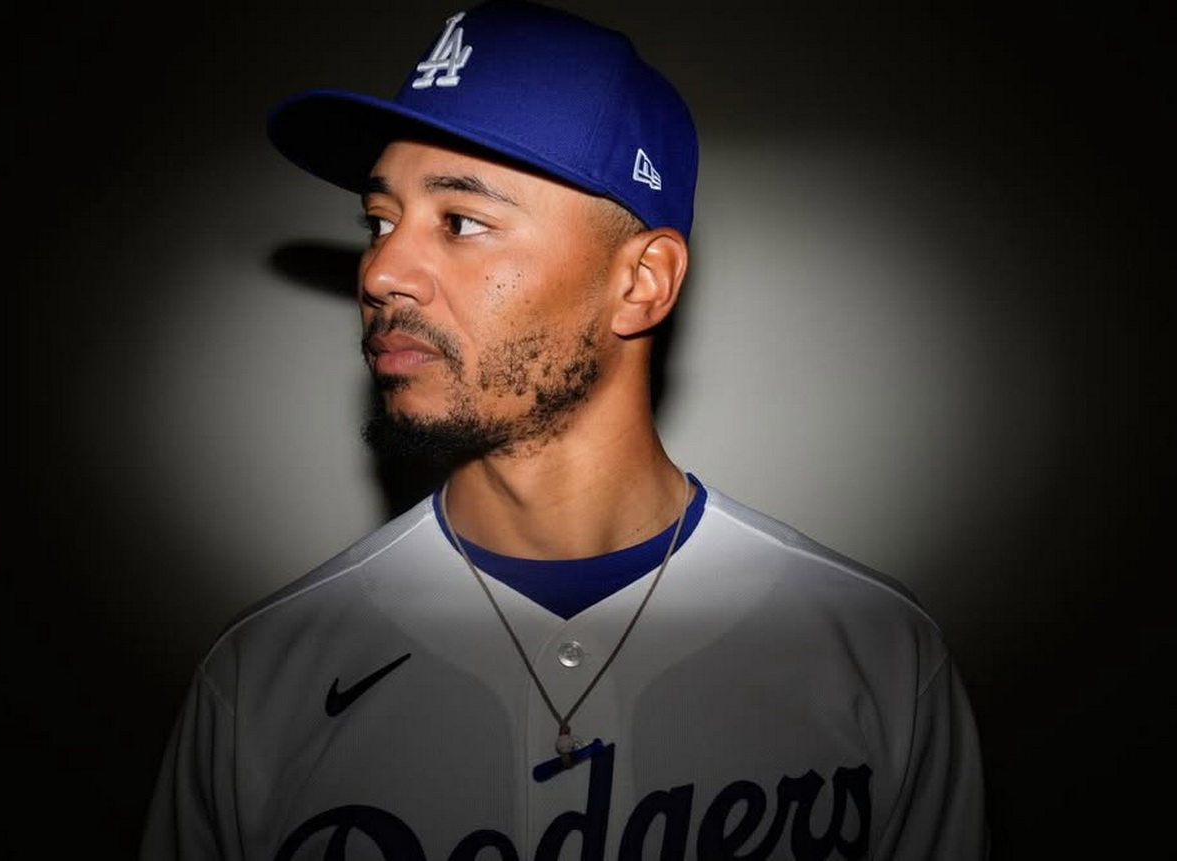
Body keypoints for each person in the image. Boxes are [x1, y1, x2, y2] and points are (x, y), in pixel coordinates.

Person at [141, 1, 987, 858]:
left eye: (461, 220)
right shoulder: (261, 679)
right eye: (379, 221)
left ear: (641, 283)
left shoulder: (875, 655)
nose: (383, 271)